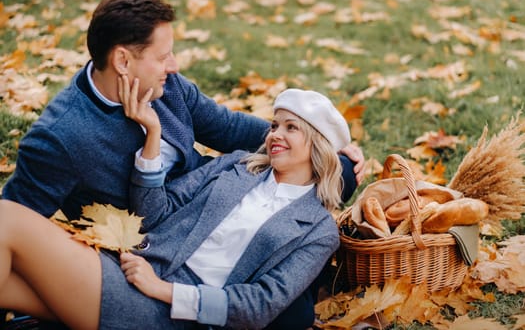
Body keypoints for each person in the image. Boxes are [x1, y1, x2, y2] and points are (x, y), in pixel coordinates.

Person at [1, 0, 364, 226]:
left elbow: (225, 127)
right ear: (123, 61)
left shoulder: (165, 84)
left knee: (342, 168)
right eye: (162, 56)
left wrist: (314, 143)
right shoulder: (60, 138)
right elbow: (14, 219)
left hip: (213, 192)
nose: (173, 65)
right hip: (159, 236)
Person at [0, 88, 350, 329]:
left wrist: (164, 291)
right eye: (274, 125)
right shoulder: (237, 166)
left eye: (291, 128)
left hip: (167, 312)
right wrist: (153, 136)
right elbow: (155, 214)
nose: (275, 134)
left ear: (318, 146)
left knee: (10, 219)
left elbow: (260, 305)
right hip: (131, 267)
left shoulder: (318, 229)